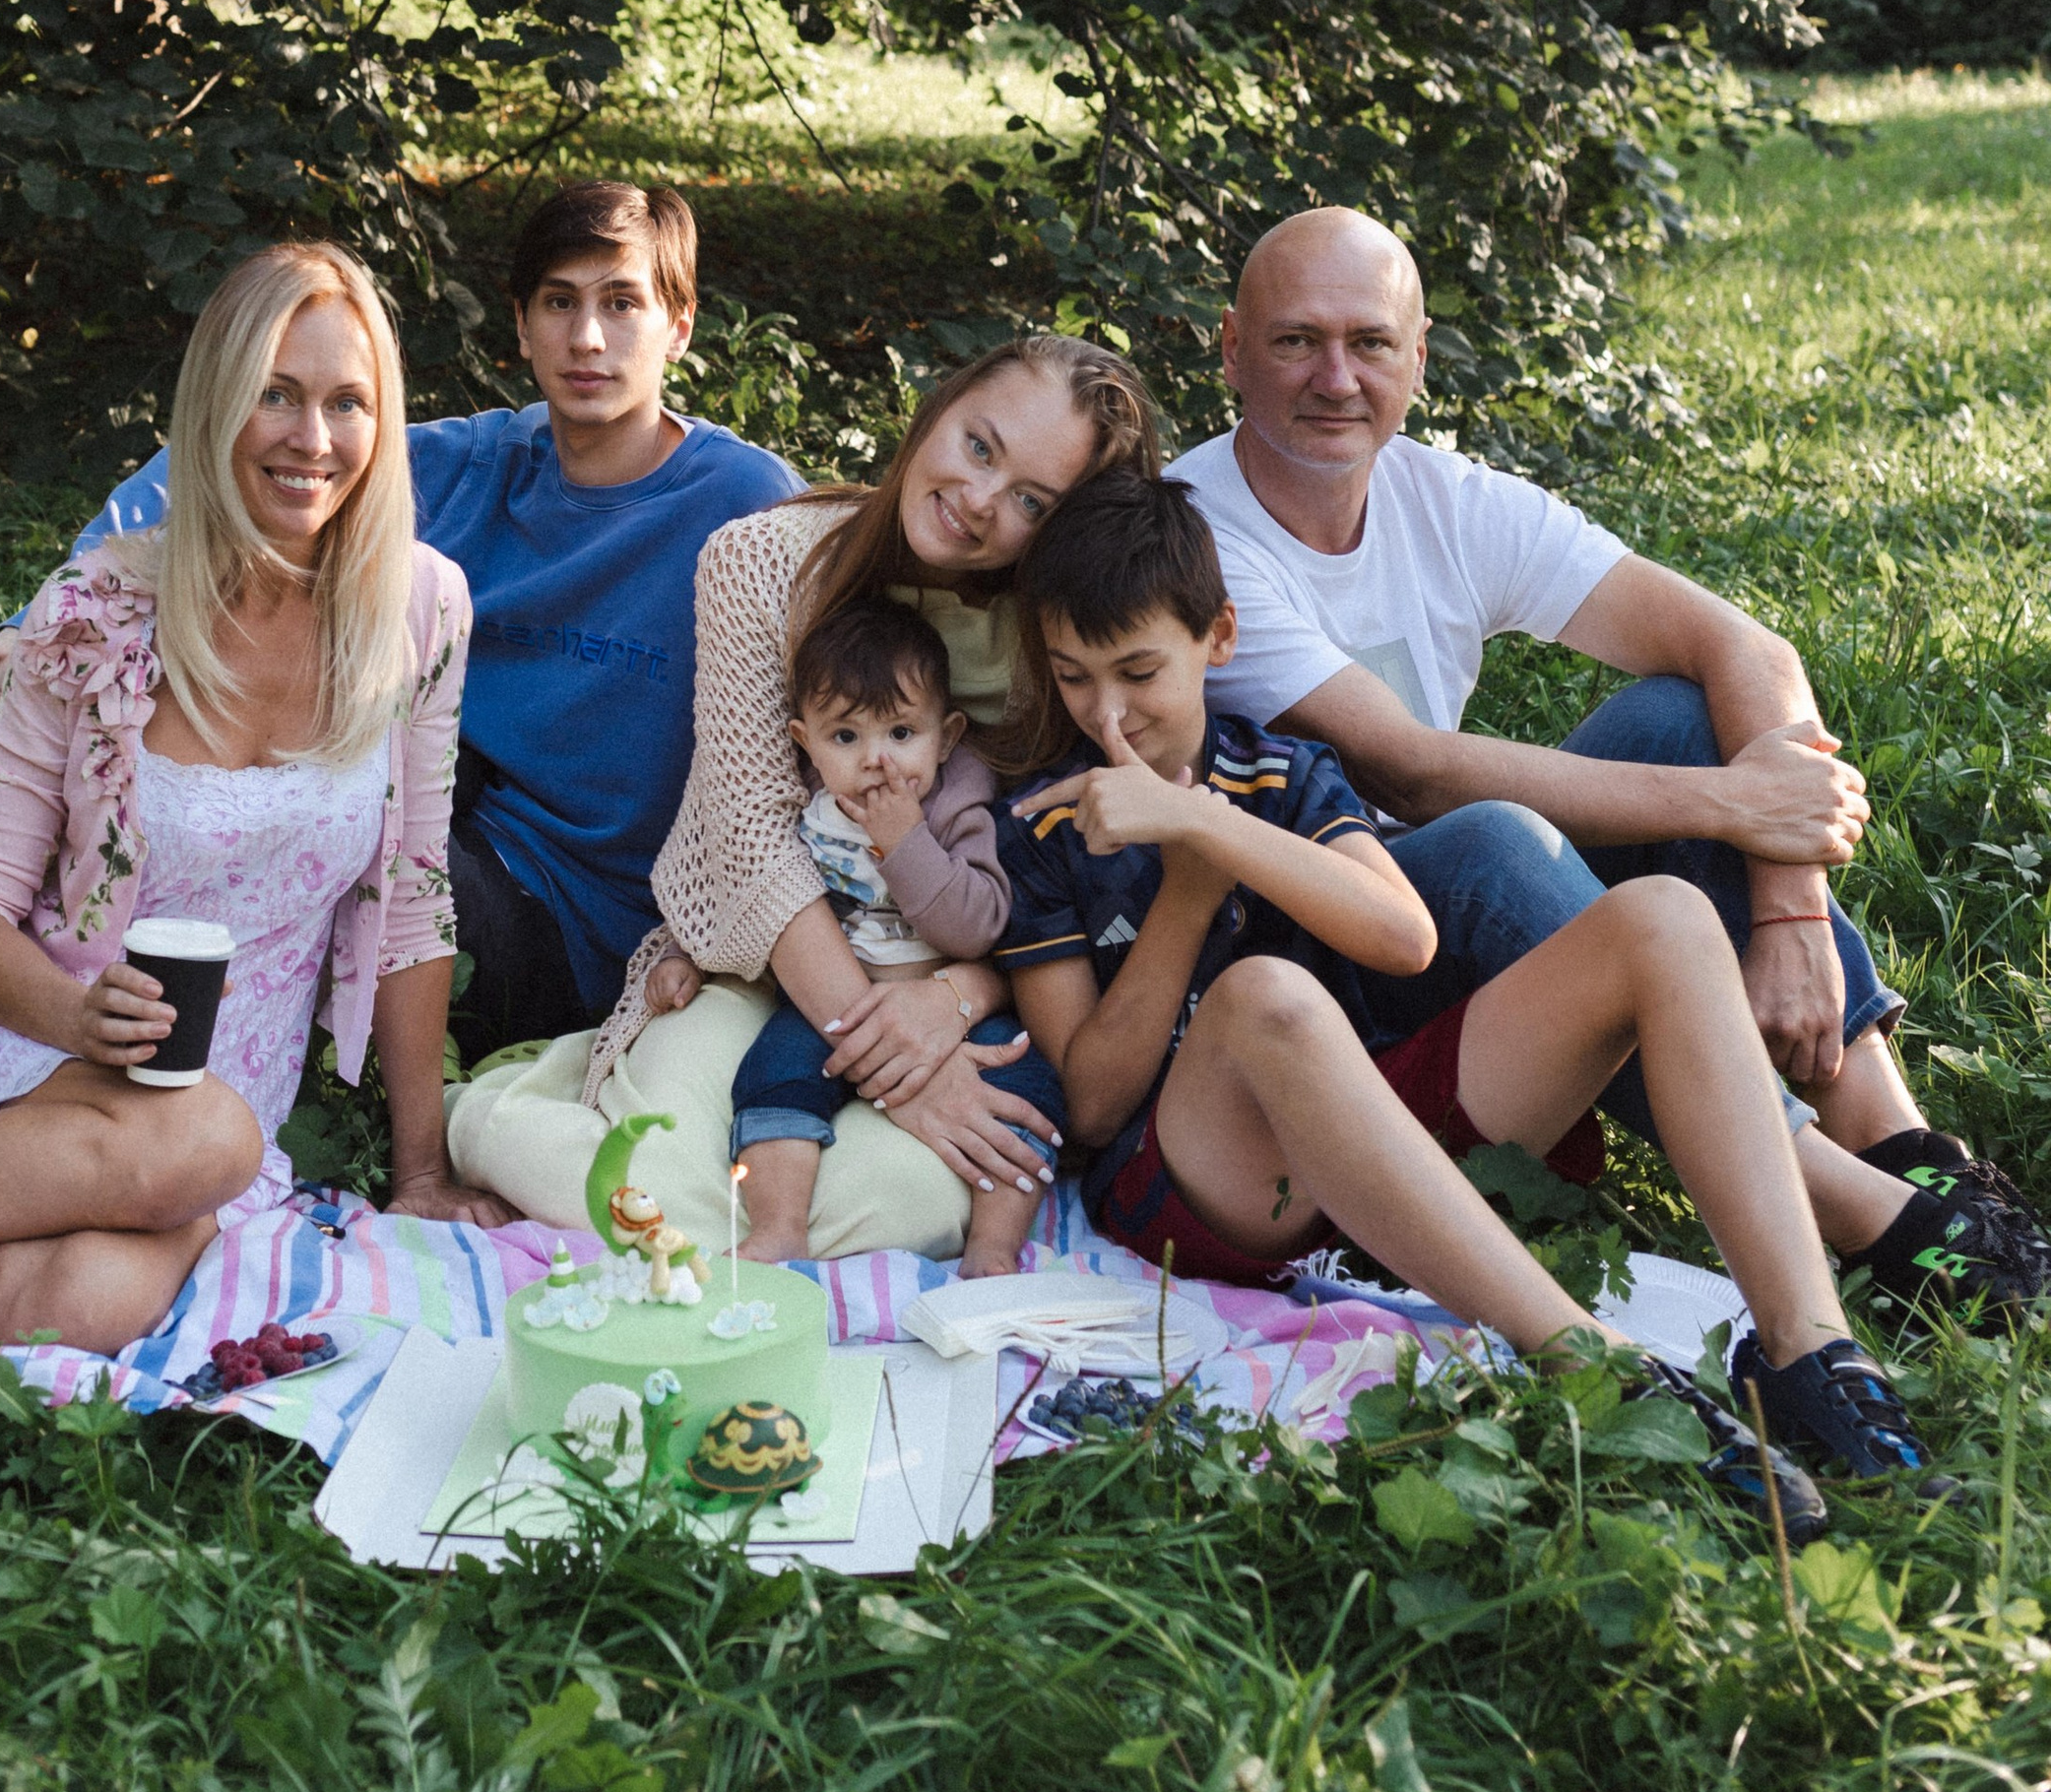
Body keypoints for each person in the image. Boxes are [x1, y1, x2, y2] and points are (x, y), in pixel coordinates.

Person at [1001, 473, 1950, 1528]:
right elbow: (1089, 1109)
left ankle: (1811, 1352)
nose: (1108, 716)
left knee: (1666, 919)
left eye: (1138, 672)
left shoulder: (1278, 775)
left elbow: (1402, 936)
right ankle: (1599, 1371)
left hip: (1376, 1148)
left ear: (1215, 640)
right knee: (1265, 993)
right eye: (1073, 679)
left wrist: (1213, 834)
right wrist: (1186, 895)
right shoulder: (1043, 826)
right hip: (1196, 1183)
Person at [1170, 206, 2051, 1325]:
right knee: (1496, 832)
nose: (1335, 376)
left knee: (1678, 713)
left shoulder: (1440, 498)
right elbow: (1409, 772)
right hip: (1321, 952)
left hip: (1463, 921)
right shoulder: (1196, 532)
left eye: (1371, 342)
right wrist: (1736, 804)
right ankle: (1856, 1211)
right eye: (1296, 340)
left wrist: (1786, 909)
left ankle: (1908, 1156)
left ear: (1419, 356)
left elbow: (1742, 648)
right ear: (1232, 349)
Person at [0, 240, 484, 1342]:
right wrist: (79, 1017)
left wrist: (423, 1170)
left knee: (80, 1302)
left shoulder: (420, 612)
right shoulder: (96, 609)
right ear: (214, 408)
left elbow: (412, 903)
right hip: (23, 1032)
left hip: (219, 1087)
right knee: (206, 1147)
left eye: (348, 403)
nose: (312, 438)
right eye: (276, 395)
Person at [0, 180, 801, 1059]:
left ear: (681, 326)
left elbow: (854, 685)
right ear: (521, 325)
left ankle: (134, 1004)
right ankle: (25, 983)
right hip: (438, 803)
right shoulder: (474, 466)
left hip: (571, 921)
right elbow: (209, 461)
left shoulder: (744, 506)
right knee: (71, 772)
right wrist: (32, 628)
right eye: (559, 303)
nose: (587, 338)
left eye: (623, 304)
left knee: (336, 870)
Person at [443, 333, 1157, 1259]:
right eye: (979, 447)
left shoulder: (1047, 641)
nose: (981, 502)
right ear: (940, 407)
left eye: (1031, 501)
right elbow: (755, 845)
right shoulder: (759, 562)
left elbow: (1042, 872)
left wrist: (950, 1004)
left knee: (917, 1204)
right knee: (648, 1174)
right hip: (761, 966)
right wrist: (899, 1073)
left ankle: (730, 1230)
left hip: (946, 986)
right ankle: (491, 1115)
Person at [726, 596, 1059, 1275]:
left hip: (948, 1004)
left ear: (947, 733)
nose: (877, 760)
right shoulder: (809, 802)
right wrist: (678, 952)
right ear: (804, 740)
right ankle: (780, 1227)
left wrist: (906, 842)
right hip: (833, 1005)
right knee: (770, 1075)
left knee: (1027, 1080)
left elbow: (979, 926)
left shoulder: (954, 800)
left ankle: (993, 1247)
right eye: (846, 737)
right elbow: (750, 890)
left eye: (902, 733)